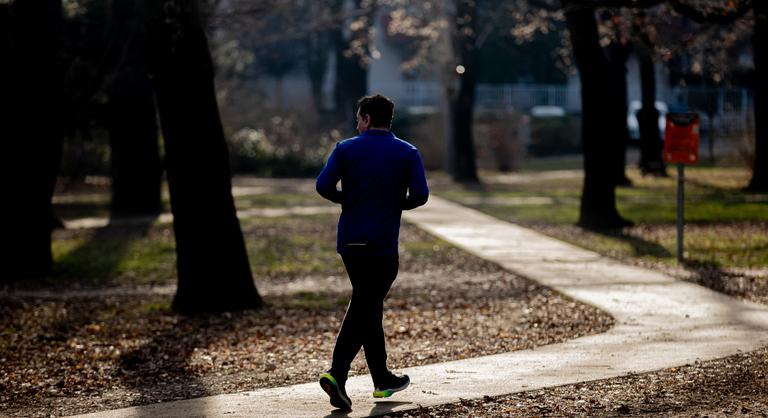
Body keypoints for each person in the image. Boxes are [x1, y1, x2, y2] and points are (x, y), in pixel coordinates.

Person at [316, 94, 429, 410]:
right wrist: (395, 204)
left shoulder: (346, 149)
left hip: (350, 243)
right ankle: (337, 373)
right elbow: (420, 195)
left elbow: (323, 186)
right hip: (382, 245)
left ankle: (382, 379)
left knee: (367, 305)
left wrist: (348, 201)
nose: (356, 123)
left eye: (358, 118)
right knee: (366, 305)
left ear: (366, 118)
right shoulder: (407, 152)